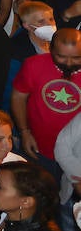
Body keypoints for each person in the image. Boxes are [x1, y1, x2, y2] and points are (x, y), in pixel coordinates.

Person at [10, 27, 81, 162]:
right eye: (62, 57)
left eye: (77, 58)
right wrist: (24, 132)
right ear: (51, 50)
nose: (69, 63)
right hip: (39, 147)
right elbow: (18, 97)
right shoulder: (33, 64)